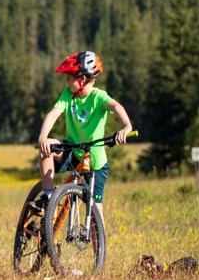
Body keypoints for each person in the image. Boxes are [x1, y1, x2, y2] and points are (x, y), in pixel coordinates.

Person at [35, 50, 133, 224]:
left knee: (96, 218)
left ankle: (100, 251)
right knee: (47, 147)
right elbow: (53, 114)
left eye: (70, 77)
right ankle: (48, 197)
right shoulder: (68, 94)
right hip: (73, 152)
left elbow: (116, 106)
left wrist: (127, 126)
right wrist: (43, 136)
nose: (67, 80)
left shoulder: (98, 97)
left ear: (82, 79)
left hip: (95, 165)